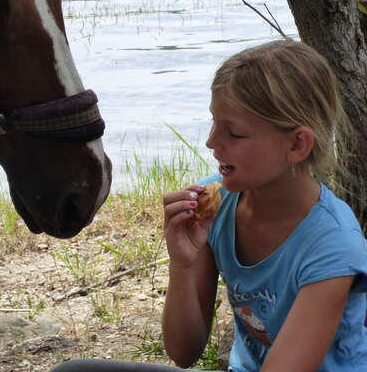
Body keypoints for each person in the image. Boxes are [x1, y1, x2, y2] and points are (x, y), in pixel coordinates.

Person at [50, 39, 367, 372]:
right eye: (214, 122)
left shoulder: (333, 248)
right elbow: (183, 351)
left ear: (297, 144)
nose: (212, 142)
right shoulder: (217, 204)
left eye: (234, 133)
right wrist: (183, 264)